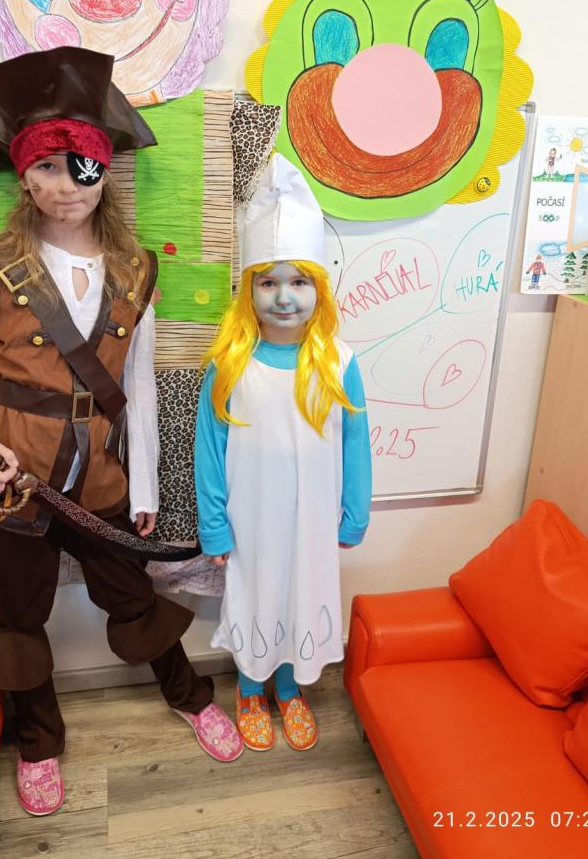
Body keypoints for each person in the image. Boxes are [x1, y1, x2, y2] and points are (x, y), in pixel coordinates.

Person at [0, 46, 242, 818]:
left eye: (79, 168)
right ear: (23, 174)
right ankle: (37, 742)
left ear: (103, 171)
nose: (63, 186)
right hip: (12, 478)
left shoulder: (137, 268)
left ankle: (189, 696)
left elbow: (134, 384)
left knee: (131, 596)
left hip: (101, 473)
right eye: (45, 168)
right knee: (20, 614)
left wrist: (143, 488)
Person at [194, 154, 371, 752]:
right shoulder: (230, 364)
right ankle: (251, 688)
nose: (284, 297)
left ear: (319, 289)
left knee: (302, 594)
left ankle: (291, 688)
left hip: (315, 517)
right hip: (251, 519)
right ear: (249, 290)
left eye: (299, 282)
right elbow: (209, 450)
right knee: (257, 594)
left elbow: (355, 443)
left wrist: (355, 512)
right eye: (268, 283)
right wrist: (214, 525)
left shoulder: (340, 363)